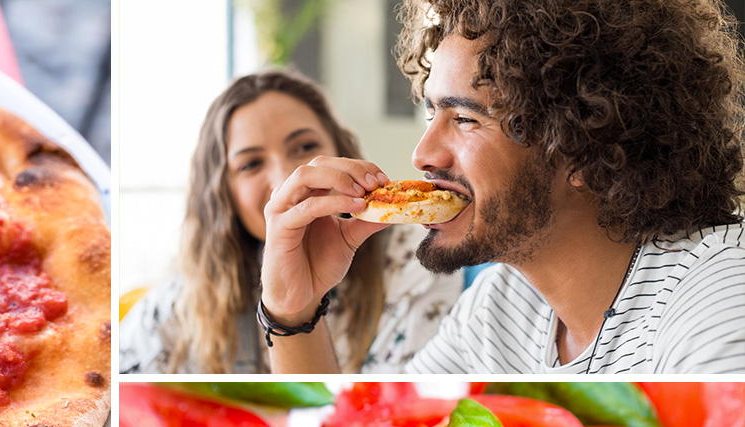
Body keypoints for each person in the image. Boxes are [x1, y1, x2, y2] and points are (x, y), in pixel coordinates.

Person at [259, 0, 745, 374]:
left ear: (582, 141)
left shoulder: (719, 296)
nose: (423, 154)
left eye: (465, 118)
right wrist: (292, 309)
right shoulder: (505, 300)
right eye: (432, 113)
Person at [119, 69, 461, 374]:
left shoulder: (420, 266)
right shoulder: (173, 310)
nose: (286, 178)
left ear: (340, 150)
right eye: (251, 164)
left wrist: (295, 314)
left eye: (304, 146)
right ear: (223, 194)